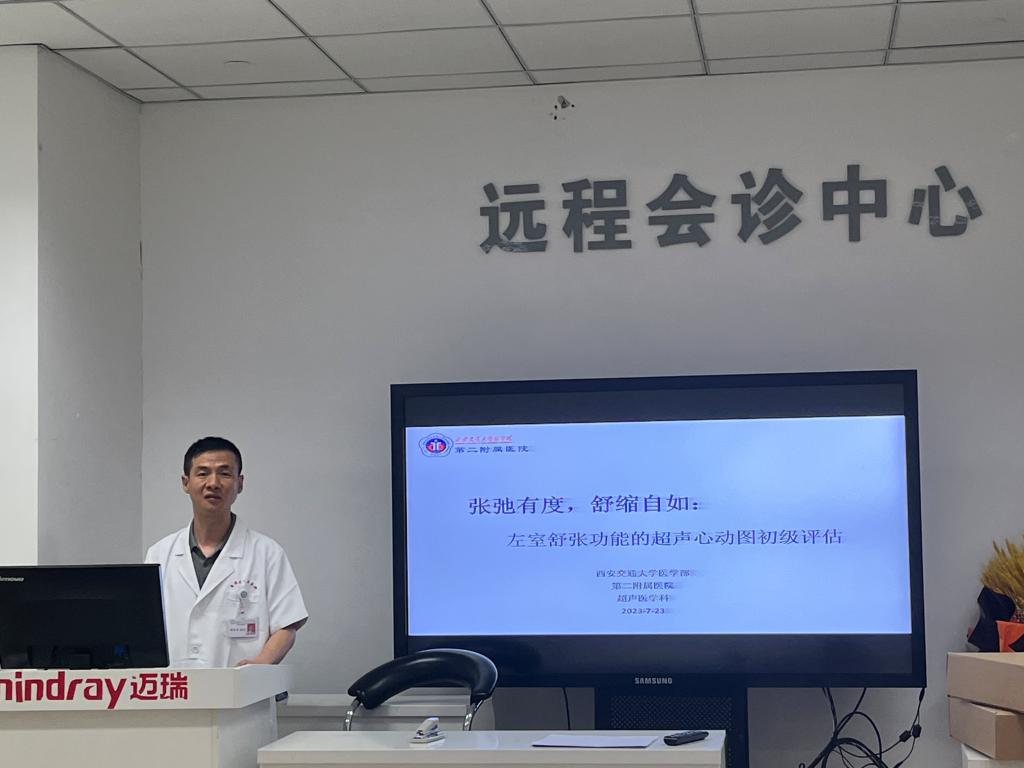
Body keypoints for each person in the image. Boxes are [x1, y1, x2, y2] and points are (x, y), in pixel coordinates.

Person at [146, 436, 308, 668]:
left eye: (224, 473)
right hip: (177, 686)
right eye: (203, 473)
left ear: (240, 483)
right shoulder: (159, 554)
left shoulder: (267, 553)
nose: (213, 483)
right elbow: (146, 628)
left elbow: (287, 625)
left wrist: (258, 666)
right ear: (185, 482)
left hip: (241, 688)